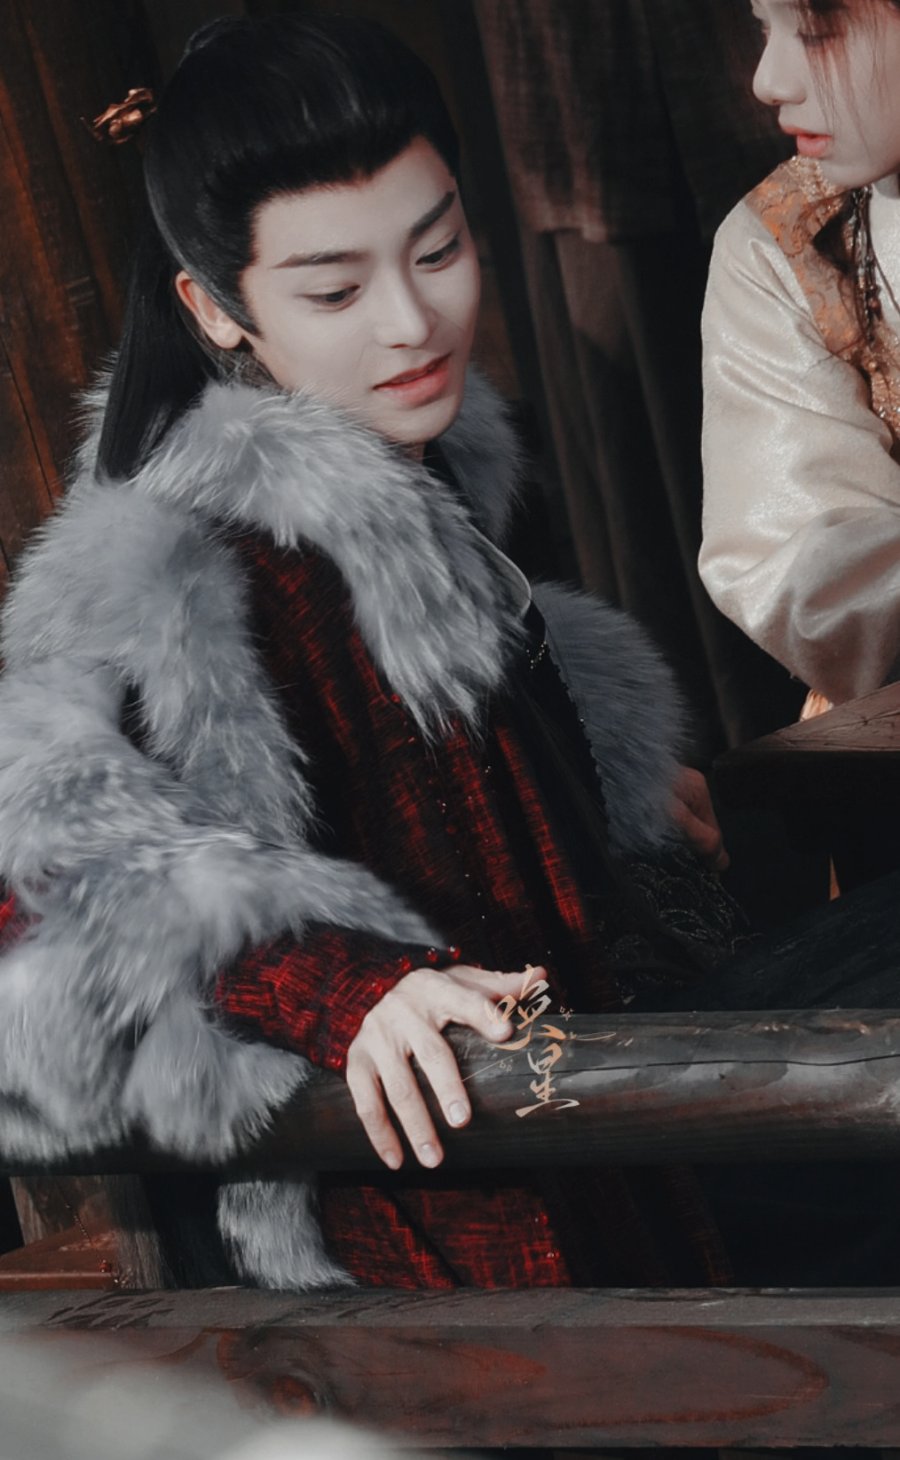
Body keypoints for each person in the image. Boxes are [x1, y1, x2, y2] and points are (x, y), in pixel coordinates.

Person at [0, 12, 742, 1292]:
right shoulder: (178, 562)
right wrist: (340, 986)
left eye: (439, 248)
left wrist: (600, 797)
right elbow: (42, 873)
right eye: (335, 291)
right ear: (215, 309)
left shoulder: (422, 475)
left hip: (574, 1121)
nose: (413, 321)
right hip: (407, 1223)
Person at [700, 0, 900, 716]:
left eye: (815, 34)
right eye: (763, 27)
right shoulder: (783, 244)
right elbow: (798, 563)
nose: (768, 80)